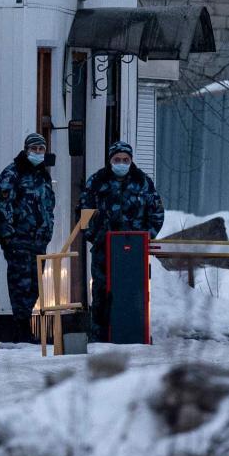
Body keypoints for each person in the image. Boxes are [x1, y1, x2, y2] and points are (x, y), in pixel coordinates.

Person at [78, 140, 164, 341]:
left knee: (132, 291)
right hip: (103, 249)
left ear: (131, 160)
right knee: (101, 292)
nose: (121, 163)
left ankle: (132, 333)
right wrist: (94, 236)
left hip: (133, 251)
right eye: (117, 159)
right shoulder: (97, 182)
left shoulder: (143, 182)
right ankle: (99, 336)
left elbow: (157, 212)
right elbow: (83, 214)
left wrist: (146, 237)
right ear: (110, 160)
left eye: (125, 160)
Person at [0, 131, 56, 342]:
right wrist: (8, 236)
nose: (38, 153)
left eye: (41, 149)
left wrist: (48, 230)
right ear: (26, 150)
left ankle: (26, 326)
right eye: (34, 149)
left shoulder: (42, 175)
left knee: (34, 286)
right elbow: (3, 206)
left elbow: (49, 206)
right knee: (20, 286)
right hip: (19, 241)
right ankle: (21, 330)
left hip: (38, 241)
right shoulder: (13, 173)